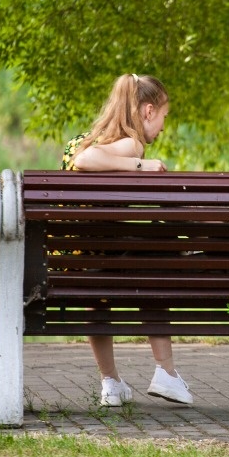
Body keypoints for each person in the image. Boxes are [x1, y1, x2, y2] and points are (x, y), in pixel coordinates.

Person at [61, 73, 188, 407]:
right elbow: (84, 160)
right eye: (163, 116)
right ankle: (167, 373)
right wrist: (141, 165)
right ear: (148, 111)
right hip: (98, 256)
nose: (162, 126)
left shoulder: (88, 137)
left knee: (106, 286)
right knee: (155, 262)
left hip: (75, 260)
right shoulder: (132, 144)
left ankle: (112, 383)